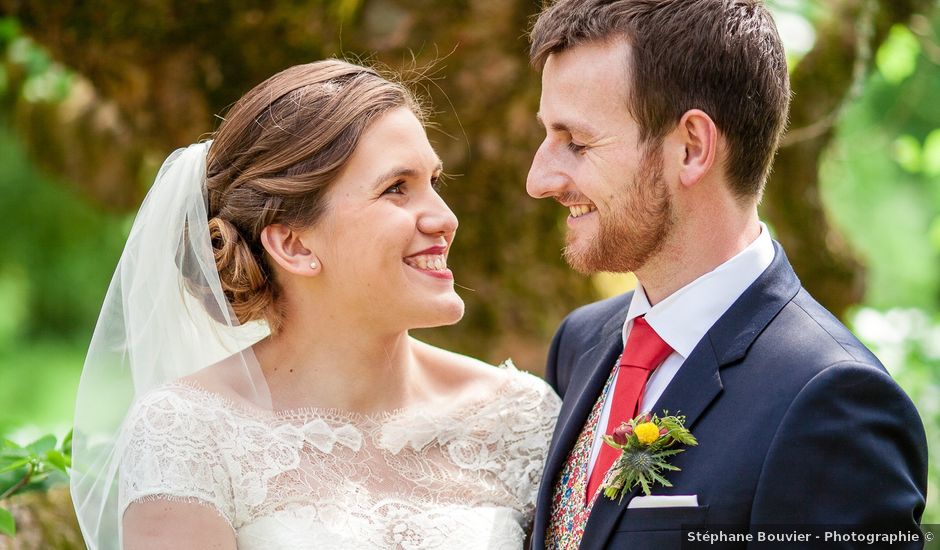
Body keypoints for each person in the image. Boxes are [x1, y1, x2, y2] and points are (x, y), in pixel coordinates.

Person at [70, 59, 561, 550]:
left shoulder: (522, 418)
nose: (444, 218)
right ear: (294, 246)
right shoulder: (187, 435)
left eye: (435, 182)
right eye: (396, 188)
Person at [523, 1, 928, 548]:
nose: (539, 178)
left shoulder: (834, 402)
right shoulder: (580, 343)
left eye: (577, 142)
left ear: (692, 147)